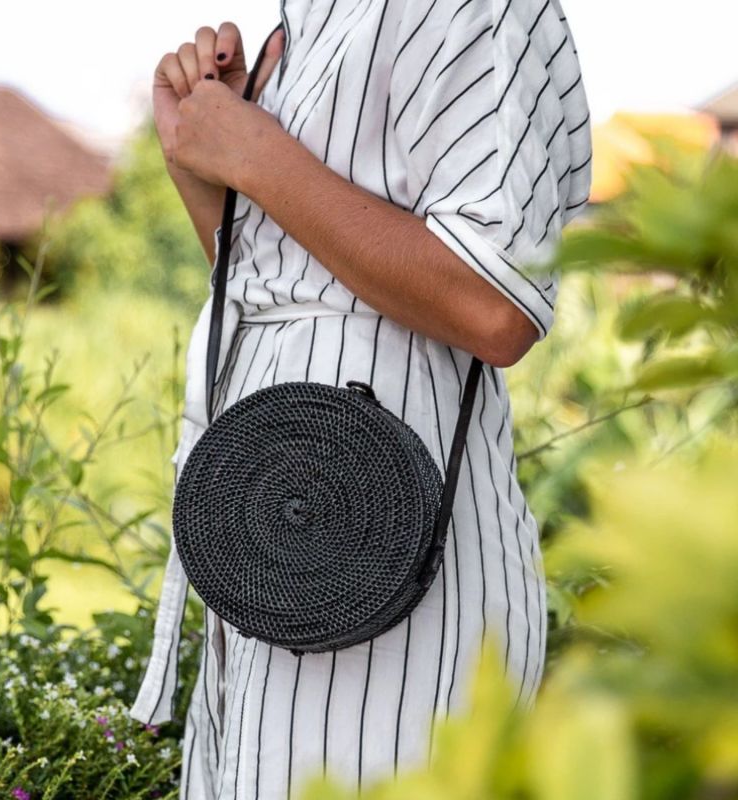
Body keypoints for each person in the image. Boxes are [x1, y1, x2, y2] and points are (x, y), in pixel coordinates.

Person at [129, 0, 593, 797]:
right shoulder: (302, 22)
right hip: (268, 533)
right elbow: (285, 286)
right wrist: (205, 170)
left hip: (394, 544)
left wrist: (262, 157)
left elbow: (494, 305)